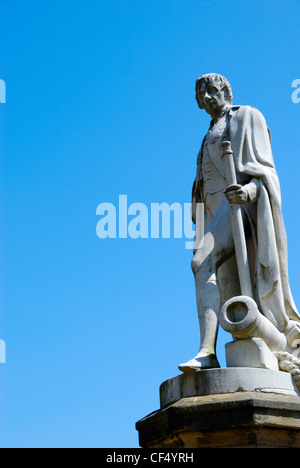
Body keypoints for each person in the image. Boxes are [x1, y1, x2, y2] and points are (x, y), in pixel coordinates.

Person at [179, 73, 300, 371]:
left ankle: (206, 351)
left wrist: (248, 190)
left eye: (211, 91)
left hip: (243, 210)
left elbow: (267, 174)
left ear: (226, 91)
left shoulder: (247, 116)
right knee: (222, 282)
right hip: (216, 213)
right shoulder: (207, 134)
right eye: (200, 94)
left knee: (201, 262)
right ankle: (216, 348)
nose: (206, 98)